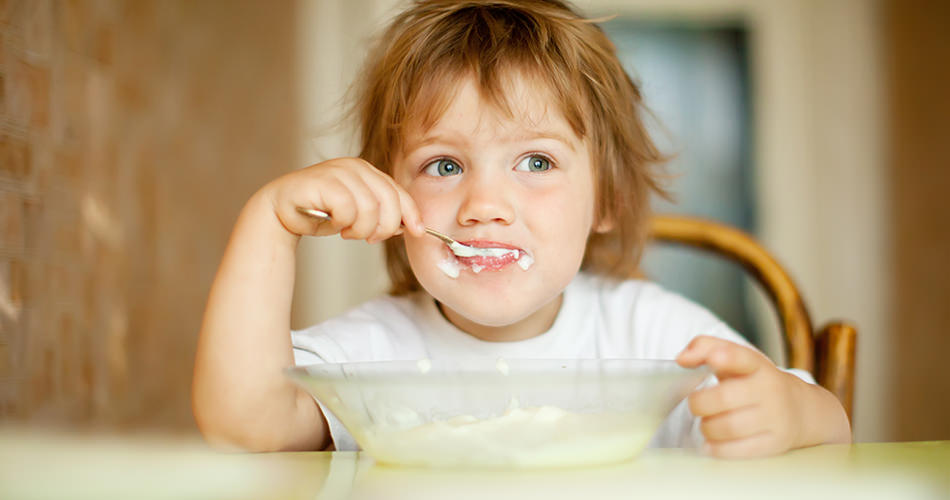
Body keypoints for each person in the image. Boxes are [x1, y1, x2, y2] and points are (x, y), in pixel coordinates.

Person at [192, 0, 851, 458]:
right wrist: (269, 223)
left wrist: (792, 416)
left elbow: (831, 427)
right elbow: (243, 425)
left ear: (607, 201)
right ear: (388, 200)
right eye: (444, 165)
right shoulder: (376, 354)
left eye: (536, 162)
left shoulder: (652, 337)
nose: (485, 204)